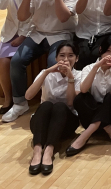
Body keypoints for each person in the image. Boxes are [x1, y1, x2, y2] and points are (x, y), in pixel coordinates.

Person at [4, 0, 78, 123]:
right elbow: (22, 17)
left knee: (55, 64)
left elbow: (64, 17)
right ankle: (19, 103)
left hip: (61, 34)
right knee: (16, 61)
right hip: (38, 34)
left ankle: (55, 105)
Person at [25, 41, 80, 176]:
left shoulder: (80, 74)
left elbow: (70, 102)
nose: (66, 59)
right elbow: (28, 96)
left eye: (70, 55)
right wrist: (46, 72)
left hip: (66, 124)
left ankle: (49, 151)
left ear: (77, 58)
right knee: (46, 105)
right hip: (42, 123)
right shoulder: (46, 73)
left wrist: (70, 78)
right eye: (62, 55)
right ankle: (37, 151)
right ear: (55, 58)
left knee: (60, 106)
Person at [65, 35, 111, 156]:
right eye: (108, 51)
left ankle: (85, 135)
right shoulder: (88, 68)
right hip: (91, 115)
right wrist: (97, 66)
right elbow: (83, 89)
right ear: (100, 50)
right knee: (80, 98)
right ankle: (108, 128)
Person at [0, 0, 37, 114]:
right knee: (3, 61)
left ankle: (17, 98)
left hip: (28, 32)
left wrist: (22, 36)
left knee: (14, 61)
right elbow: (1, 5)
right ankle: (8, 98)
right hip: (9, 32)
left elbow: (35, 18)